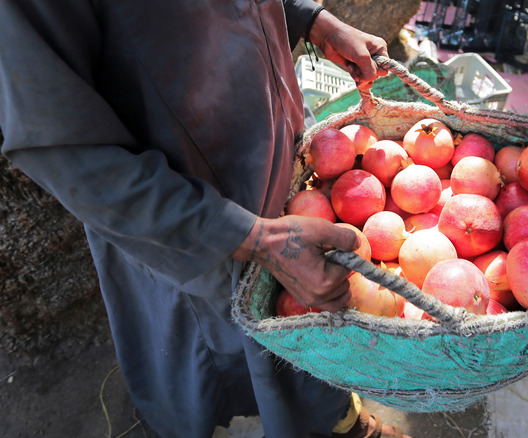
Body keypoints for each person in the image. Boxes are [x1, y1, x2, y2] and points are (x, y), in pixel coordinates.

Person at [0, 1, 409, 437]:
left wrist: (310, 19)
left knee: (312, 330)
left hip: (276, 145)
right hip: (184, 214)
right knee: (213, 356)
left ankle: (339, 422)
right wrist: (252, 238)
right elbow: (62, 146)